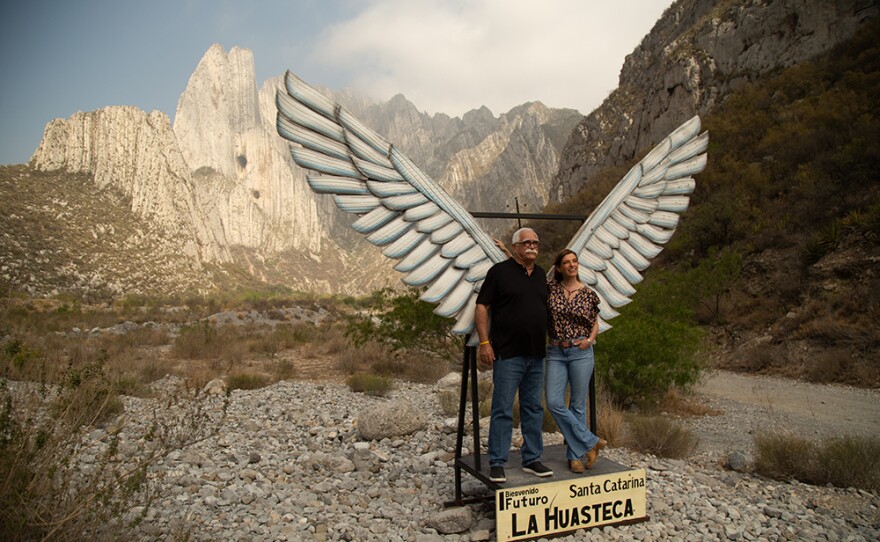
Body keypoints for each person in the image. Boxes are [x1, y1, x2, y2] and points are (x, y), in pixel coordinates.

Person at [475, 227, 552, 483]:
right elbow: (482, 307)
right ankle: (497, 461)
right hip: (508, 354)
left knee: (533, 408)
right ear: (516, 247)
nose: (532, 246)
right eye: (527, 242)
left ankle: (532, 458)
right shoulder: (499, 273)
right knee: (502, 409)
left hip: (537, 355)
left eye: (536, 242)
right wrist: (484, 342)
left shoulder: (541, 275)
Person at [545, 249, 607, 473]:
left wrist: (590, 340)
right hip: (556, 351)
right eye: (566, 262)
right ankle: (591, 442)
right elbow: (526, 273)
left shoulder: (589, 293)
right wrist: (507, 252)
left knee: (578, 405)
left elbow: (595, 322)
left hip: (581, 351)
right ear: (559, 267)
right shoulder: (550, 289)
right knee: (553, 402)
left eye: (574, 261)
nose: (572, 265)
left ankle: (575, 457)